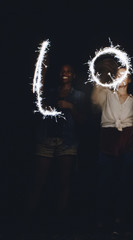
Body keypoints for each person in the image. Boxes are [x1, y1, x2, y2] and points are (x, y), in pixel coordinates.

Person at [28, 64, 86, 217]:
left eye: (68, 71)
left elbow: (82, 122)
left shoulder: (79, 96)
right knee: (38, 180)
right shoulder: (51, 92)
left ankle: (60, 217)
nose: (64, 74)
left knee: (64, 182)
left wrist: (71, 107)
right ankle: (30, 216)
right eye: (62, 71)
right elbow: (39, 108)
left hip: (67, 141)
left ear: (73, 75)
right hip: (46, 139)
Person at [91, 65, 133, 239]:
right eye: (118, 75)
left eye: (125, 75)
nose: (121, 78)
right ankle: (101, 221)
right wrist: (101, 79)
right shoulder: (107, 94)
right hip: (108, 139)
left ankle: (119, 221)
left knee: (124, 182)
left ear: (129, 80)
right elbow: (94, 100)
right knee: (105, 181)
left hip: (128, 141)